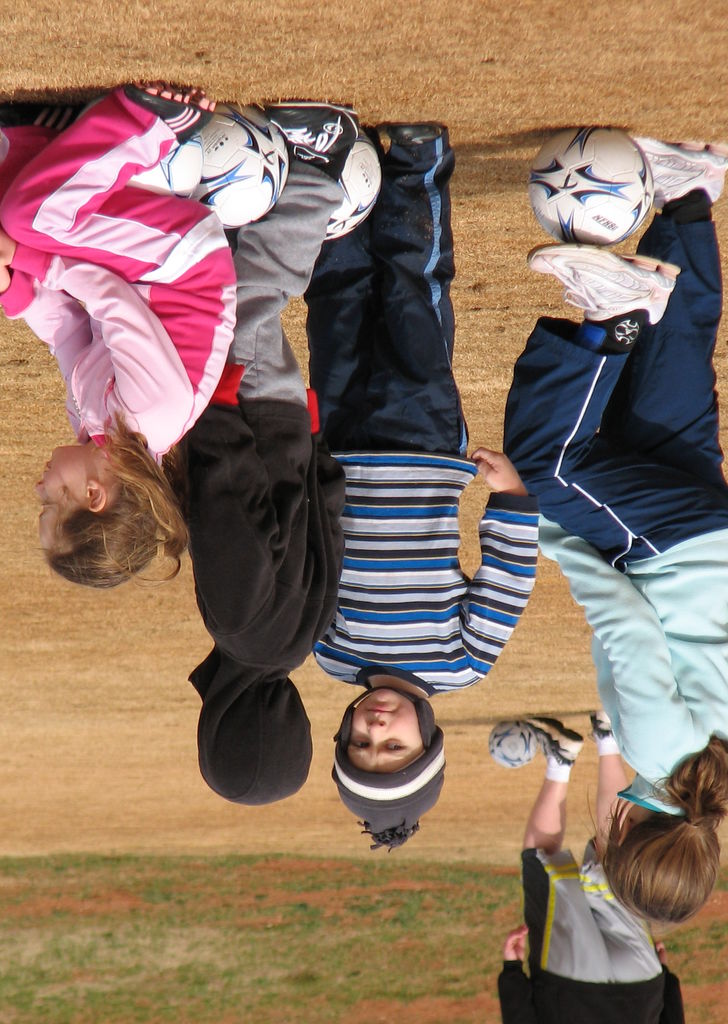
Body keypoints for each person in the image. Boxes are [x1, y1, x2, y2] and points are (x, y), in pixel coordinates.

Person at [501, 137, 728, 925]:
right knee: (545, 467)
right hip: (661, 544)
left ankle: (687, 193)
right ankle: (606, 319)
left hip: (712, 535)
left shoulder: (722, 763)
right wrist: (542, 528)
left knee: (676, 361)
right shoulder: (654, 753)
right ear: (621, 835)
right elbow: (627, 625)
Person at [306, 122, 541, 849]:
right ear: (429, 735)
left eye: (361, 745)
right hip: (423, 446)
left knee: (337, 302)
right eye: (396, 748)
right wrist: (509, 500)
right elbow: (506, 580)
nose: (378, 731)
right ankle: (414, 160)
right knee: (411, 297)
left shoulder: (330, 653)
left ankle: (332, 167)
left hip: (337, 449)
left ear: (342, 730)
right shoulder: (462, 663)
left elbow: (308, 557)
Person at [0, 83, 237, 588]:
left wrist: (10, 291)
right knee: (32, 220)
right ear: (94, 495)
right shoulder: (152, 415)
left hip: (135, 273)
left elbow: (68, 333)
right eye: (51, 500)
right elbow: (110, 299)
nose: (39, 486)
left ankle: (34, 132)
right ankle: (154, 124)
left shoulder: (91, 427)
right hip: (178, 262)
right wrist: (24, 258)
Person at [183, 103, 359, 806]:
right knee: (253, 299)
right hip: (247, 417)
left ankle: (243, 176)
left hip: (284, 430)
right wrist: (217, 414)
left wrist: (312, 443)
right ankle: (316, 167)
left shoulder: (301, 640)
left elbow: (329, 523)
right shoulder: (240, 627)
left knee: (242, 300)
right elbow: (232, 506)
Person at [495, 712, 686, 1024]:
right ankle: (560, 759)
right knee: (541, 860)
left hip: (640, 988)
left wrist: (665, 979)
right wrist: (512, 974)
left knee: (616, 861)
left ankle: (608, 733)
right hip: (568, 987)